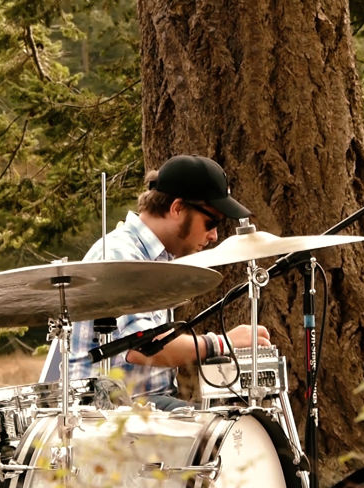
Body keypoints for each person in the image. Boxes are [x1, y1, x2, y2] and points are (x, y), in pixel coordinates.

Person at [68, 154, 271, 410]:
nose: (214, 235)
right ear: (177, 208)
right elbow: (144, 349)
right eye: (211, 222)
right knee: (223, 430)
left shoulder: (158, 257)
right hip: (109, 410)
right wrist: (222, 343)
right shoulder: (122, 255)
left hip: (149, 403)